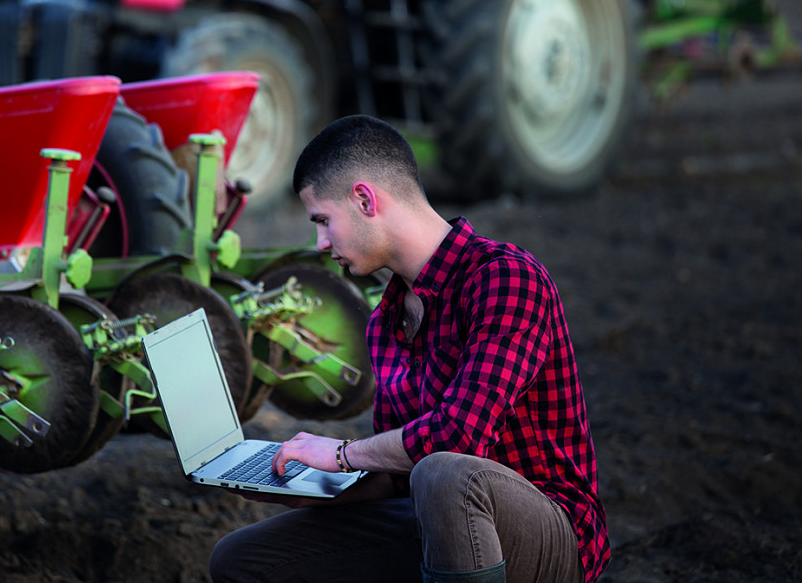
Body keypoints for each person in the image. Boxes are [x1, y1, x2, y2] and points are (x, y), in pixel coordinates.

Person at [209, 115, 609, 583]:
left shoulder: (505, 278)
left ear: (364, 199)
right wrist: (310, 486)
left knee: (446, 474)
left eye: (322, 220)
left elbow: (457, 439)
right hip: (431, 518)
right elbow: (398, 475)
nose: (320, 243)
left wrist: (340, 454)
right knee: (242, 558)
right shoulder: (386, 321)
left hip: (552, 537)